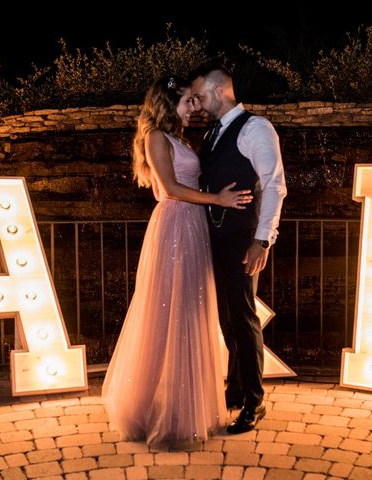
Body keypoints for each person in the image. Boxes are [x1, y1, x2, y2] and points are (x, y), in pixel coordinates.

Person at [101, 75, 253, 449]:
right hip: (174, 227)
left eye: (195, 102)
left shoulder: (176, 138)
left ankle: (185, 407)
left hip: (191, 226)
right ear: (169, 105)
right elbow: (168, 189)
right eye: (188, 102)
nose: (195, 107)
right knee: (167, 313)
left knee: (189, 312)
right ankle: (159, 412)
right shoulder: (155, 136)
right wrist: (217, 200)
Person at [191, 63, 287, 434]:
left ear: (218, 92)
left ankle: (254, 401)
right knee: (227, 318)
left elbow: (275, 185)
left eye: (200, 95)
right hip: (215, 237)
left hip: (243, 238)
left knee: (245, 319)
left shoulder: (256, 128)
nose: (197, 103)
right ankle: (235, 387)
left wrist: (263, 239)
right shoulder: (214, 132)